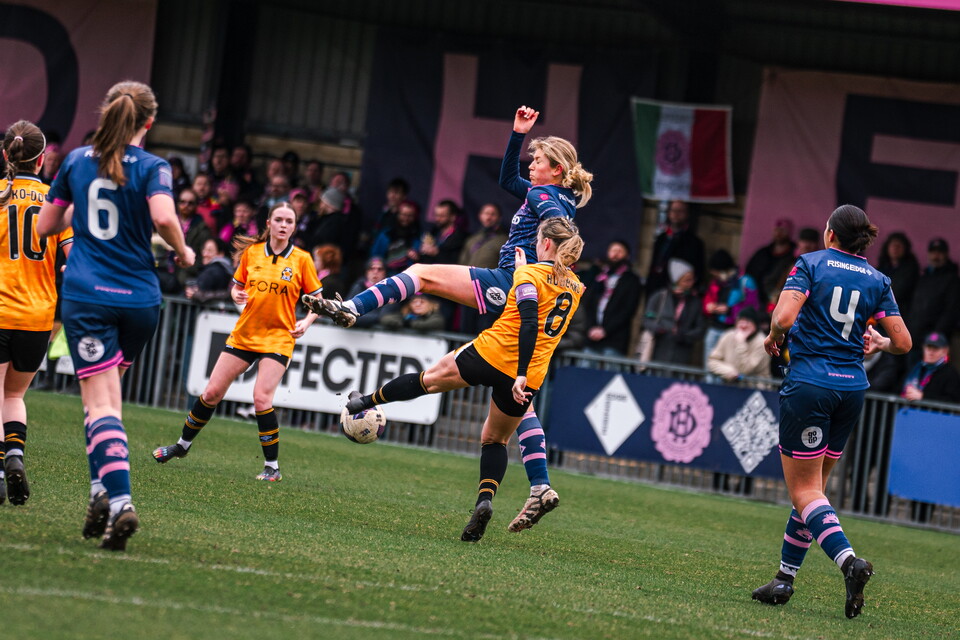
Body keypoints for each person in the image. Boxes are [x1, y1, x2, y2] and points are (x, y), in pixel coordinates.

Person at [305, 105, 593, 531]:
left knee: (421, 275)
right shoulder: (552, 195)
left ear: (557, 169)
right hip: (526, 299)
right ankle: (538, 486)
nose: (530, 165)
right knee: (516, 406)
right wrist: (517, 134)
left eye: (537, 160)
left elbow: (554, 225)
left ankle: (353, 308)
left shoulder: (545, 198)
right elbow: (509, 181)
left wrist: (534, 263)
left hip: (511, 281)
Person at [343, 218, 584, 541]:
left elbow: (528, 322)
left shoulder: (529, 274)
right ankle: (484, 502)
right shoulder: (576, 286)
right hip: (530, 376)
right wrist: (523, 374)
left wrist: (522, 274)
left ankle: (364, 402)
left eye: (538, 239)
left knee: (428, 381)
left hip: (493, 354)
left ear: (546, 244)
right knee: (495, 440)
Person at [37, 81, 195, 551]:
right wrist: (183, 250)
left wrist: (79, 211)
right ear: (149, 122)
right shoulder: (154, 166)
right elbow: (163, 217)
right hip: (140, 302)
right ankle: (99, 494)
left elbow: (46, 226)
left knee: (99, 405)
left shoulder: (76, 161)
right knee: (108, 404)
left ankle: (119, 500)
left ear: (106, 112)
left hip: (89, 297)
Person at [752, 204, 911, 618]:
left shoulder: (811, 264)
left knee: (804, 491)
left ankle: (850, 563)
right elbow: (903, 343)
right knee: (814, 493)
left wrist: (773, 335)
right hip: (851, 389)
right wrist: (879, 343)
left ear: (830, 234)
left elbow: (784, 316)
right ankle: (784, 579)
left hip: (811, 385)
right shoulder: (878, 279)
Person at [152, 202, 321, 482]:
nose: (283, 225)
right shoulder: (252, 253)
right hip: (245, 334)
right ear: (268, 223)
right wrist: (235, 295)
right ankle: (182, 446)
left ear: (293, 227)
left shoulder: (302, 259)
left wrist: (307, 321)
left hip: (278, 338)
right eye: (279, 219)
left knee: (261, 398)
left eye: (289, 221)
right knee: (211, 393)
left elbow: (317, 300)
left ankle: (272, 467)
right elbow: (237, 287)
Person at [0, 120, 74, 505]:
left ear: (5, 154)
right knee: (14, 394)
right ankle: (14, 454)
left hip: (1, 310)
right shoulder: (55, 203)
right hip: (38, 316)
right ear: (42, 159)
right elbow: (74, 258)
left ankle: (1, 470)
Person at [581, 239, 642, 356]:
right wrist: (591, 327)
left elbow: (628, 310)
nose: (615, 255)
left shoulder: (631, 280)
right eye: (613, 251)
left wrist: (606, 330)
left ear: (627, 256)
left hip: (615, 340)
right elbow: (588, 304)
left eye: (620, 251)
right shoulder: (599, 276)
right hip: (591, 337)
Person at [642, 258, 706, 366]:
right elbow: (647, 319)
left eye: (692, 280)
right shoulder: (659, 297)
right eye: (687, 280)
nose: (691, 283)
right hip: (658, 350)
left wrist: (684, 335)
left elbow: (700, 329)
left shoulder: (695, 302)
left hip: (681, 355)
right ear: (676, 280)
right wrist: (658, 328)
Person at [646, 200, 705, 296]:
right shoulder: (661, 238)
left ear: (687, 214)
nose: (676, 214)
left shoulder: (694, 242)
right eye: (673, 210)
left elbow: (698, 272)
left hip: (678, 292)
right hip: (657, 289)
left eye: (680, 211)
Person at [707, 306, 769, 382]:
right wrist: (729, 371)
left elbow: (745, 371)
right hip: (729, 384)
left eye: (748, 322)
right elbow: (712, 361)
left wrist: (741, 343)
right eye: (741, 321)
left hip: (754, 386)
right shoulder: (728, 335)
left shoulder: (762, 342)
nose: (743, 325)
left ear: (755, 325)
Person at [901, 332, 960, 403]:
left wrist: (923, 396)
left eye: (935, 349)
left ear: (945, 351)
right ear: (923, 348)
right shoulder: (916, 368)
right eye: (928, 348)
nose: (931, 353)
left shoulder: (951, 374)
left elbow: (953, 400)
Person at [876, 232, 919, 321]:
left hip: (902, 315)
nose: (895, 249)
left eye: (899, 246)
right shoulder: (880, 269)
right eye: (893, 245)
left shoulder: (911, 270)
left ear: (905, 249)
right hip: (880, 315)